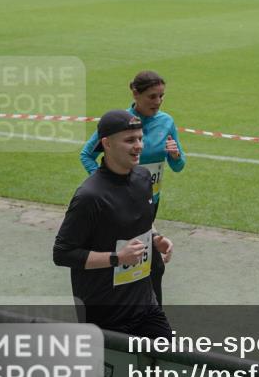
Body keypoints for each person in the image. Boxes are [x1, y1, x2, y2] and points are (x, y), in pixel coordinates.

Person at [55, 110, 174, 339]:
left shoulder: (142, 178)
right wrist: (117, 258)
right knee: (116, 373)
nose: (139, 146)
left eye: (140, 138)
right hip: (106, 312)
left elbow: (143, 221)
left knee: (166, 360)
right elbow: (62, 253)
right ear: (107, 144)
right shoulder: (90, 196)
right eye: (130, 140)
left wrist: (157, 238)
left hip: (144, 302)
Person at [80, 70, 185, 306]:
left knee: (144, 261)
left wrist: (175, 155)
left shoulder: (166, 122)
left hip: (150, 202)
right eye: (151, 96)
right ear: (135, 94)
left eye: (161, 96)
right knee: (144, 262)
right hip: (120, 203)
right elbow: (87, 155)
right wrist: (107, 184)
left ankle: (146, 317)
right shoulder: (118, 123)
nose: (157, 102)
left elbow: (179, 166)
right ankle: (146, 321)